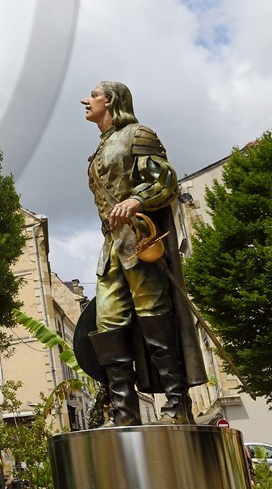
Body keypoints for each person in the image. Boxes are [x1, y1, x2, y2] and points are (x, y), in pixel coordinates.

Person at [82, 80, 205, 426]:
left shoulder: (139, 135)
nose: (86, 100)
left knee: (155, 319)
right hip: (111, 250)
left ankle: (177, 405)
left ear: (112, 101)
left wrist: (136, 200)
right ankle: (124, 413)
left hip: (140, 244)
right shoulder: (98, 150)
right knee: (107, 325)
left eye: (93, 95)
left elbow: (166, 181)